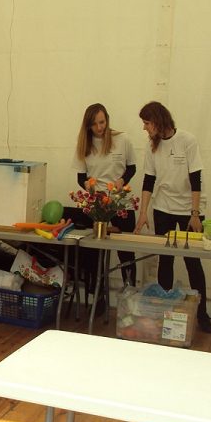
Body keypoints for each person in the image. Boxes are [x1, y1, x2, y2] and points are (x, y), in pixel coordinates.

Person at [134, 101, 211, 334]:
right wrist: (143, 213)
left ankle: (203, 314)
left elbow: (196, 179)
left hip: (190, 208)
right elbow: (149, 180)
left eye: (146, 123)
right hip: (164, 207)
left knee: (192, 261)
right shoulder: (151, 146)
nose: (144, 128)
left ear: (158, 121)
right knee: (166, 258)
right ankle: (164, 312)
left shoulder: (187, 140)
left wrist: (195, 214)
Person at [71, 103, 138, 291]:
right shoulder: (84, 145)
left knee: (126, 252)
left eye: (102, 122)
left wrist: (122, 180)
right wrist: (88, 186)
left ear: (107, 119)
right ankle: (98, 295)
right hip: (97, 206)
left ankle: (130, 292)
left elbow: (132, 167)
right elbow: (81, 177)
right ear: (88, 126)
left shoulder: (123, 139)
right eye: (94, 124)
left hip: (120, 203)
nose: (99, 127)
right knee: (94, 252)